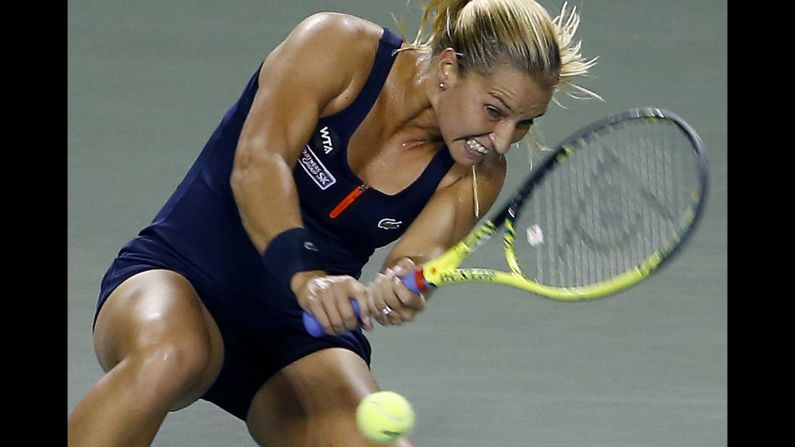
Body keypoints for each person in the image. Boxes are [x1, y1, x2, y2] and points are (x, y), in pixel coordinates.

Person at [68, 0, 597, 445]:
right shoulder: (338, 48)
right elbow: (258, 164)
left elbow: (418, 255)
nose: (502, 139)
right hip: (181, 278)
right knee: (171, 356)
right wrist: (306, 276)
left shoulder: (477, 173)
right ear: (447, 69)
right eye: (495, 110)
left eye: (525, 122)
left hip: (296, 340)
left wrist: (402, 286)